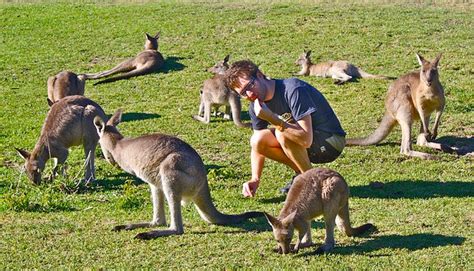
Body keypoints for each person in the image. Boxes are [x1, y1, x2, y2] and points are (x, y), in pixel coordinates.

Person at [224, 60, 346, 197]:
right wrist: (255, 178)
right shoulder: (256, 104)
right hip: (306, 144)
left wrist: (273, 119)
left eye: (250, 86)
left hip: (330, 141)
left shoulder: (293, 89)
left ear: (260, 75)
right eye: (243, 93)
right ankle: (304, 175)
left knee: (282, 133)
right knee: (257, 139)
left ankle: (313, 184)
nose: (249, 95)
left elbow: (306, 140)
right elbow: (257, 146)